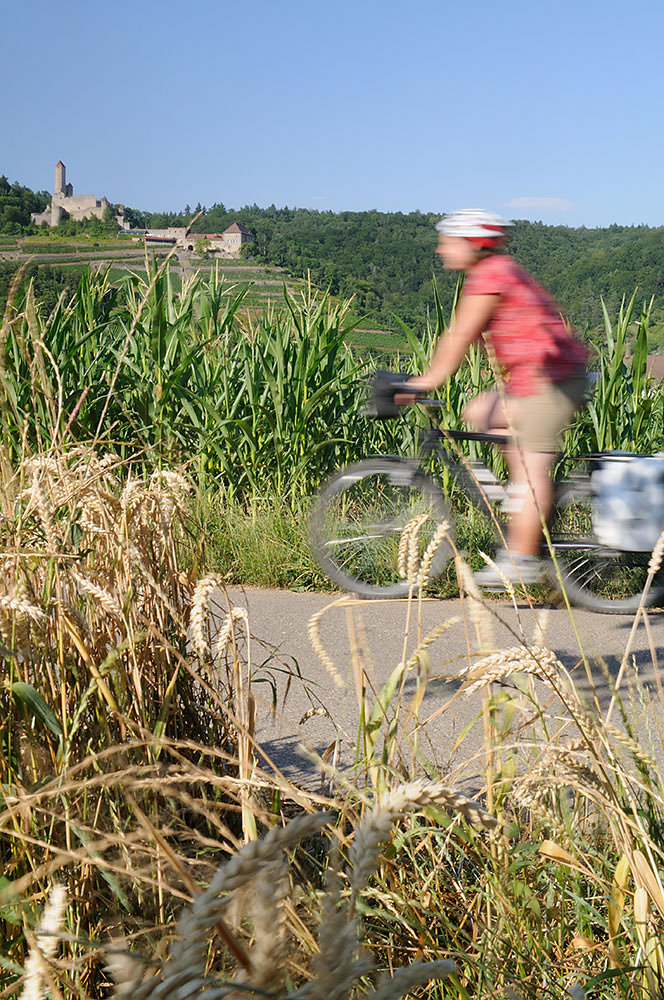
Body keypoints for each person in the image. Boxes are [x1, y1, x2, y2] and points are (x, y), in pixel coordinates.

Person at [406, 209, 587, 587]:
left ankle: (521, 559)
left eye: (447, 241)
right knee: (480, 411)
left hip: (549, 382)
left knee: (528, 466)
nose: (440, 249)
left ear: (473, 244)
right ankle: (530, 513)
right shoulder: (498, 271)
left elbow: (459, 336)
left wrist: (425, 383)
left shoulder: (490, 277)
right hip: (536, 380)